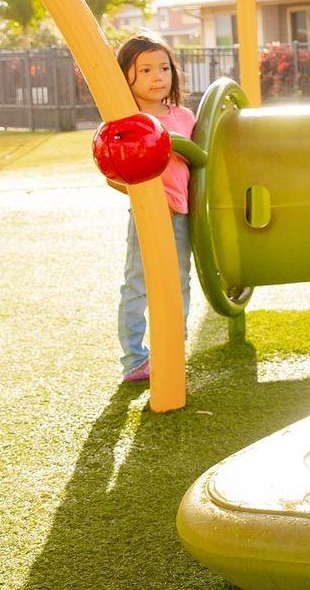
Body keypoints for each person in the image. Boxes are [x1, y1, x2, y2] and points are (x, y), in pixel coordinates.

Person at [105, 32, 195, 384]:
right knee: (138, 284)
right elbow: (112, 173)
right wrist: (146, 199)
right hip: (147, 216)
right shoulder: (127, 120)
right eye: (145, 70)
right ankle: (133, 358)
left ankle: (171, 350)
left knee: (179, 282)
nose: (157, 77)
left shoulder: (183, 117)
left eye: (164, 68)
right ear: (125, 76)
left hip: (181, 215)